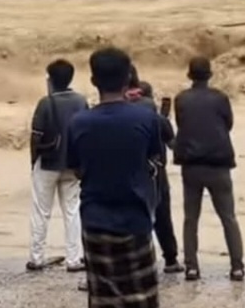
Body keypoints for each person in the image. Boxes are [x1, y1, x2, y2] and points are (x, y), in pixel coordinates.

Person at [67, 48, 162, 308]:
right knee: (142, 297)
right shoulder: (146, 118)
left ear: (94, 80)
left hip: (96, 221)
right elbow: (154, 160)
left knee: (103, 298)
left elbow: (75, 169)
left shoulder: (78, 122)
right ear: (128, 79)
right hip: (136, 218)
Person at [174, 57, 244, 283]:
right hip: (219, 164)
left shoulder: (181, 99)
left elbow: (182, 124)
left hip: (191, 165)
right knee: (228, 217)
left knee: (190, 219)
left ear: (189, 75)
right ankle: (236, 267)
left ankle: (192, 268)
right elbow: (228, 124)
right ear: (210, 74)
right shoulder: (221, 98)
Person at [28, 59, 89, 273]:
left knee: (41, 211)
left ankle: (36, 257)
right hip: (73, 166)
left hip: (47, 164)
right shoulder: (81, 101)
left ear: (51, 79)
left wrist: (33, 163)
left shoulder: (45, 102)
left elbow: (35, 137)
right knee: (72, 212)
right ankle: (74, 259)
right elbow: (86, 134)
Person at [140, 81, 183, 274]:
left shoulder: (129, 117)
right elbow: (174, 146)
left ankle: (142, 260)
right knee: (163, 218)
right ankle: (171, 259)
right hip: (158, 174)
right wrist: (166, 121)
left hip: (135, 174)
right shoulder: (158, 119)